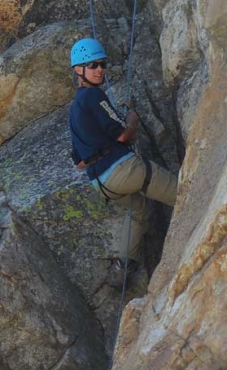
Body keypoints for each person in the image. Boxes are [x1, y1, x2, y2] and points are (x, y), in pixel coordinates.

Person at [68, 38, 178, 288]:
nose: (100, 70)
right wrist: (131, 119)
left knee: (139, 212)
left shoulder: (75, 110)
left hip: (102, 184)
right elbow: (123, 135)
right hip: (123, 170)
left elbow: (80, 163)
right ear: (78, 70)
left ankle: (122, 268)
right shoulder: (94, 96)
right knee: (183, 194)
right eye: (93, 65)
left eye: (103, 64)